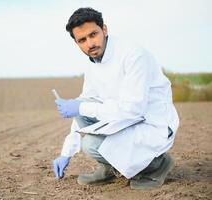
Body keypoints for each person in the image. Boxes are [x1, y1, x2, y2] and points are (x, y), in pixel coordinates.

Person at [53, 7, 179, 189]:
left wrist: (80, 108)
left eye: (93, 34)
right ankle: (110, 168)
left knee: (91, 144)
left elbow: (133, 109)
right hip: (126, 120)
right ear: (77, 43)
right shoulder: (92, 66)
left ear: (104, 30)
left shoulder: (133, 55)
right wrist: (66, 152)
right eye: (82, 40)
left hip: (152, 123)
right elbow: (83, 107)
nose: (90, 44)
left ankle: (157, 165)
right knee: (82, 105)